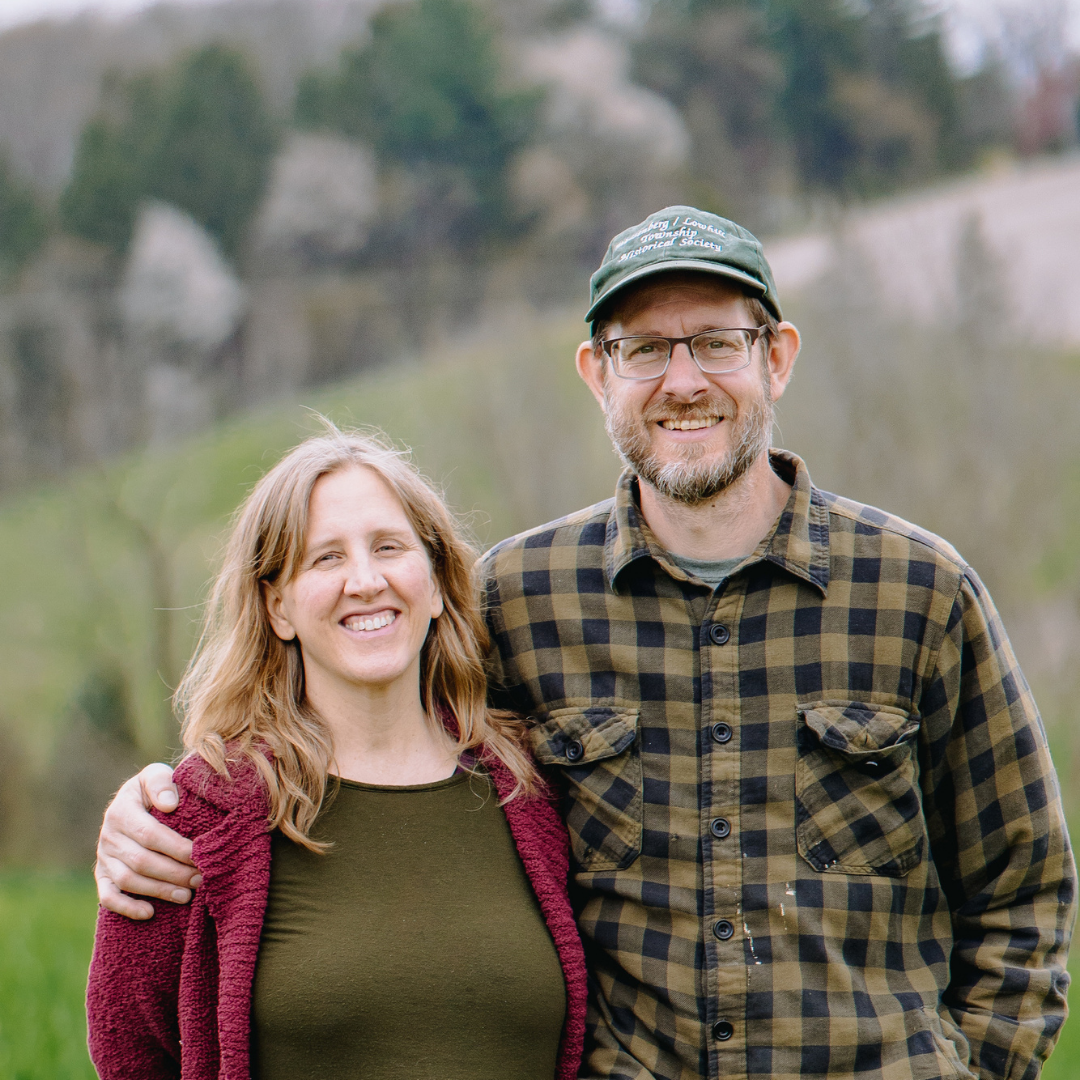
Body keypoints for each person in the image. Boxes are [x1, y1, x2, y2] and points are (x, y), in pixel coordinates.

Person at [95, 207, 1076, 1080]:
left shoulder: (920, 592)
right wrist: (149, 808)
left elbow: (1023, 895)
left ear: (776, 357)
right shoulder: (518, 603)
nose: (681, 380)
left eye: (716, 343)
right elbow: (364, 728)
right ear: (596, 374)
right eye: (643, 349)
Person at [86, 428, 587, 1080]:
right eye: (325, 559)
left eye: (389, 547)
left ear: (435, 585)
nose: (365, 579)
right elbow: (129, 1051)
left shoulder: (533, 790)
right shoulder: (196, 821)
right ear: (278, 608)